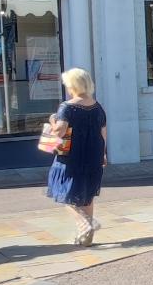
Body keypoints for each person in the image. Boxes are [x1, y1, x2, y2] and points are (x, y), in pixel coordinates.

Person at [45, 68, 109, 245]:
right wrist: (103, 154)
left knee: (65, 193)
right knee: (87, 194)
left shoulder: (67, 106)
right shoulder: (97, 106)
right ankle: (86, 238)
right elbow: (103, 132)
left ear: (72, 85)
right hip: (93, 153)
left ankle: (85, 224)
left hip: (71, 155)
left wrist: (51, 121)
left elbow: (60, 130)